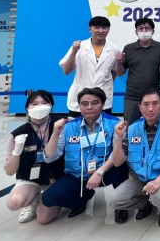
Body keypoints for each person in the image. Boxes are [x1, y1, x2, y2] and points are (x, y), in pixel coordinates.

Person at [37, 87, 128, 224]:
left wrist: (100, 172)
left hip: (105, 173)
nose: (89, 107)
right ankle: (81, 199)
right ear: (79, 106)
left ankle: (121, 206)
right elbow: (50, 158)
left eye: (95, 103)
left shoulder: (114, 124)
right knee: (47, 201)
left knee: (121, 166)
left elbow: (118, 157)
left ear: (103, 104)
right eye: (84, 104)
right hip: (77, 175)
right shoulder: (68, 127)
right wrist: (55, 134)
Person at [110, 89, 160, 227]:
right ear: (140, 107)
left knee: (159, 197)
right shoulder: (132, 128)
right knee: (114, 201)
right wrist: (118, 139)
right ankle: (147, 202)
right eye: (146, 104)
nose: (150, 109)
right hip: (141, 178)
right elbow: (117, 161)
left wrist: (158, 181)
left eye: (155, 104)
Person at [4, 90, 64, 223]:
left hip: (58, 176)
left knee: (43, 218)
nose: (40, 106)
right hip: (32, 177)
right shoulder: (18, 134)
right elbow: (9, 171)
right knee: (13, 202)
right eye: (34, 104)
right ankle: (33, 199)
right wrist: (16, 152)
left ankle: (53, 197)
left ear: (51, 106)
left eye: (44, 102)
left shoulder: (61, 125)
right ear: (27, 108)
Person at [59, 16, 121, 116]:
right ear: (90, 29)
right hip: (79, 98)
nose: (101, 31)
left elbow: (115, 71)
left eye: (104, 28)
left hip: (103, 99)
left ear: (109, 30)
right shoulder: (79, 46)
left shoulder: (114, 49)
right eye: (97, 27)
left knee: (102, 126)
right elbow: (66, 71)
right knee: (76, 125)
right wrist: (74, 52)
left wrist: (104, 84)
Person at [115, 18, 160, 123]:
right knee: (130, 126)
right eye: (141, 28)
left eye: (147, 28)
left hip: (153, 96)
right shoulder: (128, 48)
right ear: (136, 31)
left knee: (154, 125)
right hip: (132, 96)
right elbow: (120, 73)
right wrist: (118, 62)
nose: (144, 31)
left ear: (153, 31)